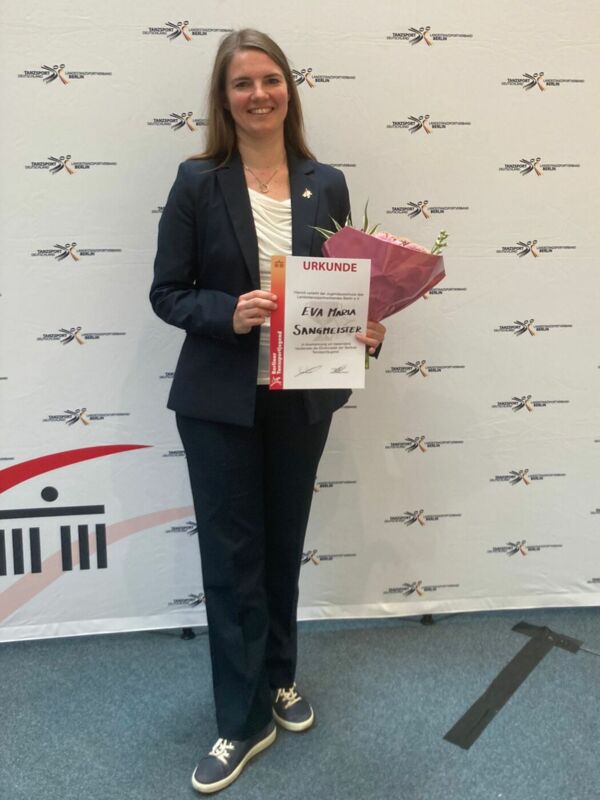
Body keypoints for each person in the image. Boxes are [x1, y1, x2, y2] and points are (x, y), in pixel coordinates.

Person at [150, 28, 385, 794]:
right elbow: (168, 293)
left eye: (270, 79)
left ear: (290, 88)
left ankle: (279, 677)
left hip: (302, 397)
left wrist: (367, 328)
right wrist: (228, 313)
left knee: (282, 548)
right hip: (220, 403)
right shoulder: (197, 181)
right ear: (224, 99)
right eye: (243, 83)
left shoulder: (327, 182)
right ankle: (240, 720)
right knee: (232, 562)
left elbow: (343, 287)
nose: (259, 94)